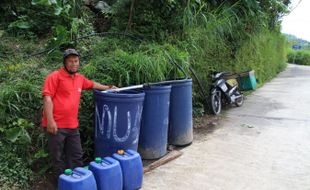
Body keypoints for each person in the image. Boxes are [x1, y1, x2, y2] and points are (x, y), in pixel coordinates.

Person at [41, 48, 116, 187]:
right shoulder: (54, 76)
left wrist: (109, 87)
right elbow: (47, 98)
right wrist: (50, 121)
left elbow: (92, 84)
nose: (73, 64)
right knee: (58, 158)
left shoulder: (79, 78)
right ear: (64, 63)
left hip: (72, 126)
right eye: (70, 61)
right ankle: (62, 185)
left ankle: (78, 184)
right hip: (56, 125)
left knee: (76, 156)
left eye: (76, 61)